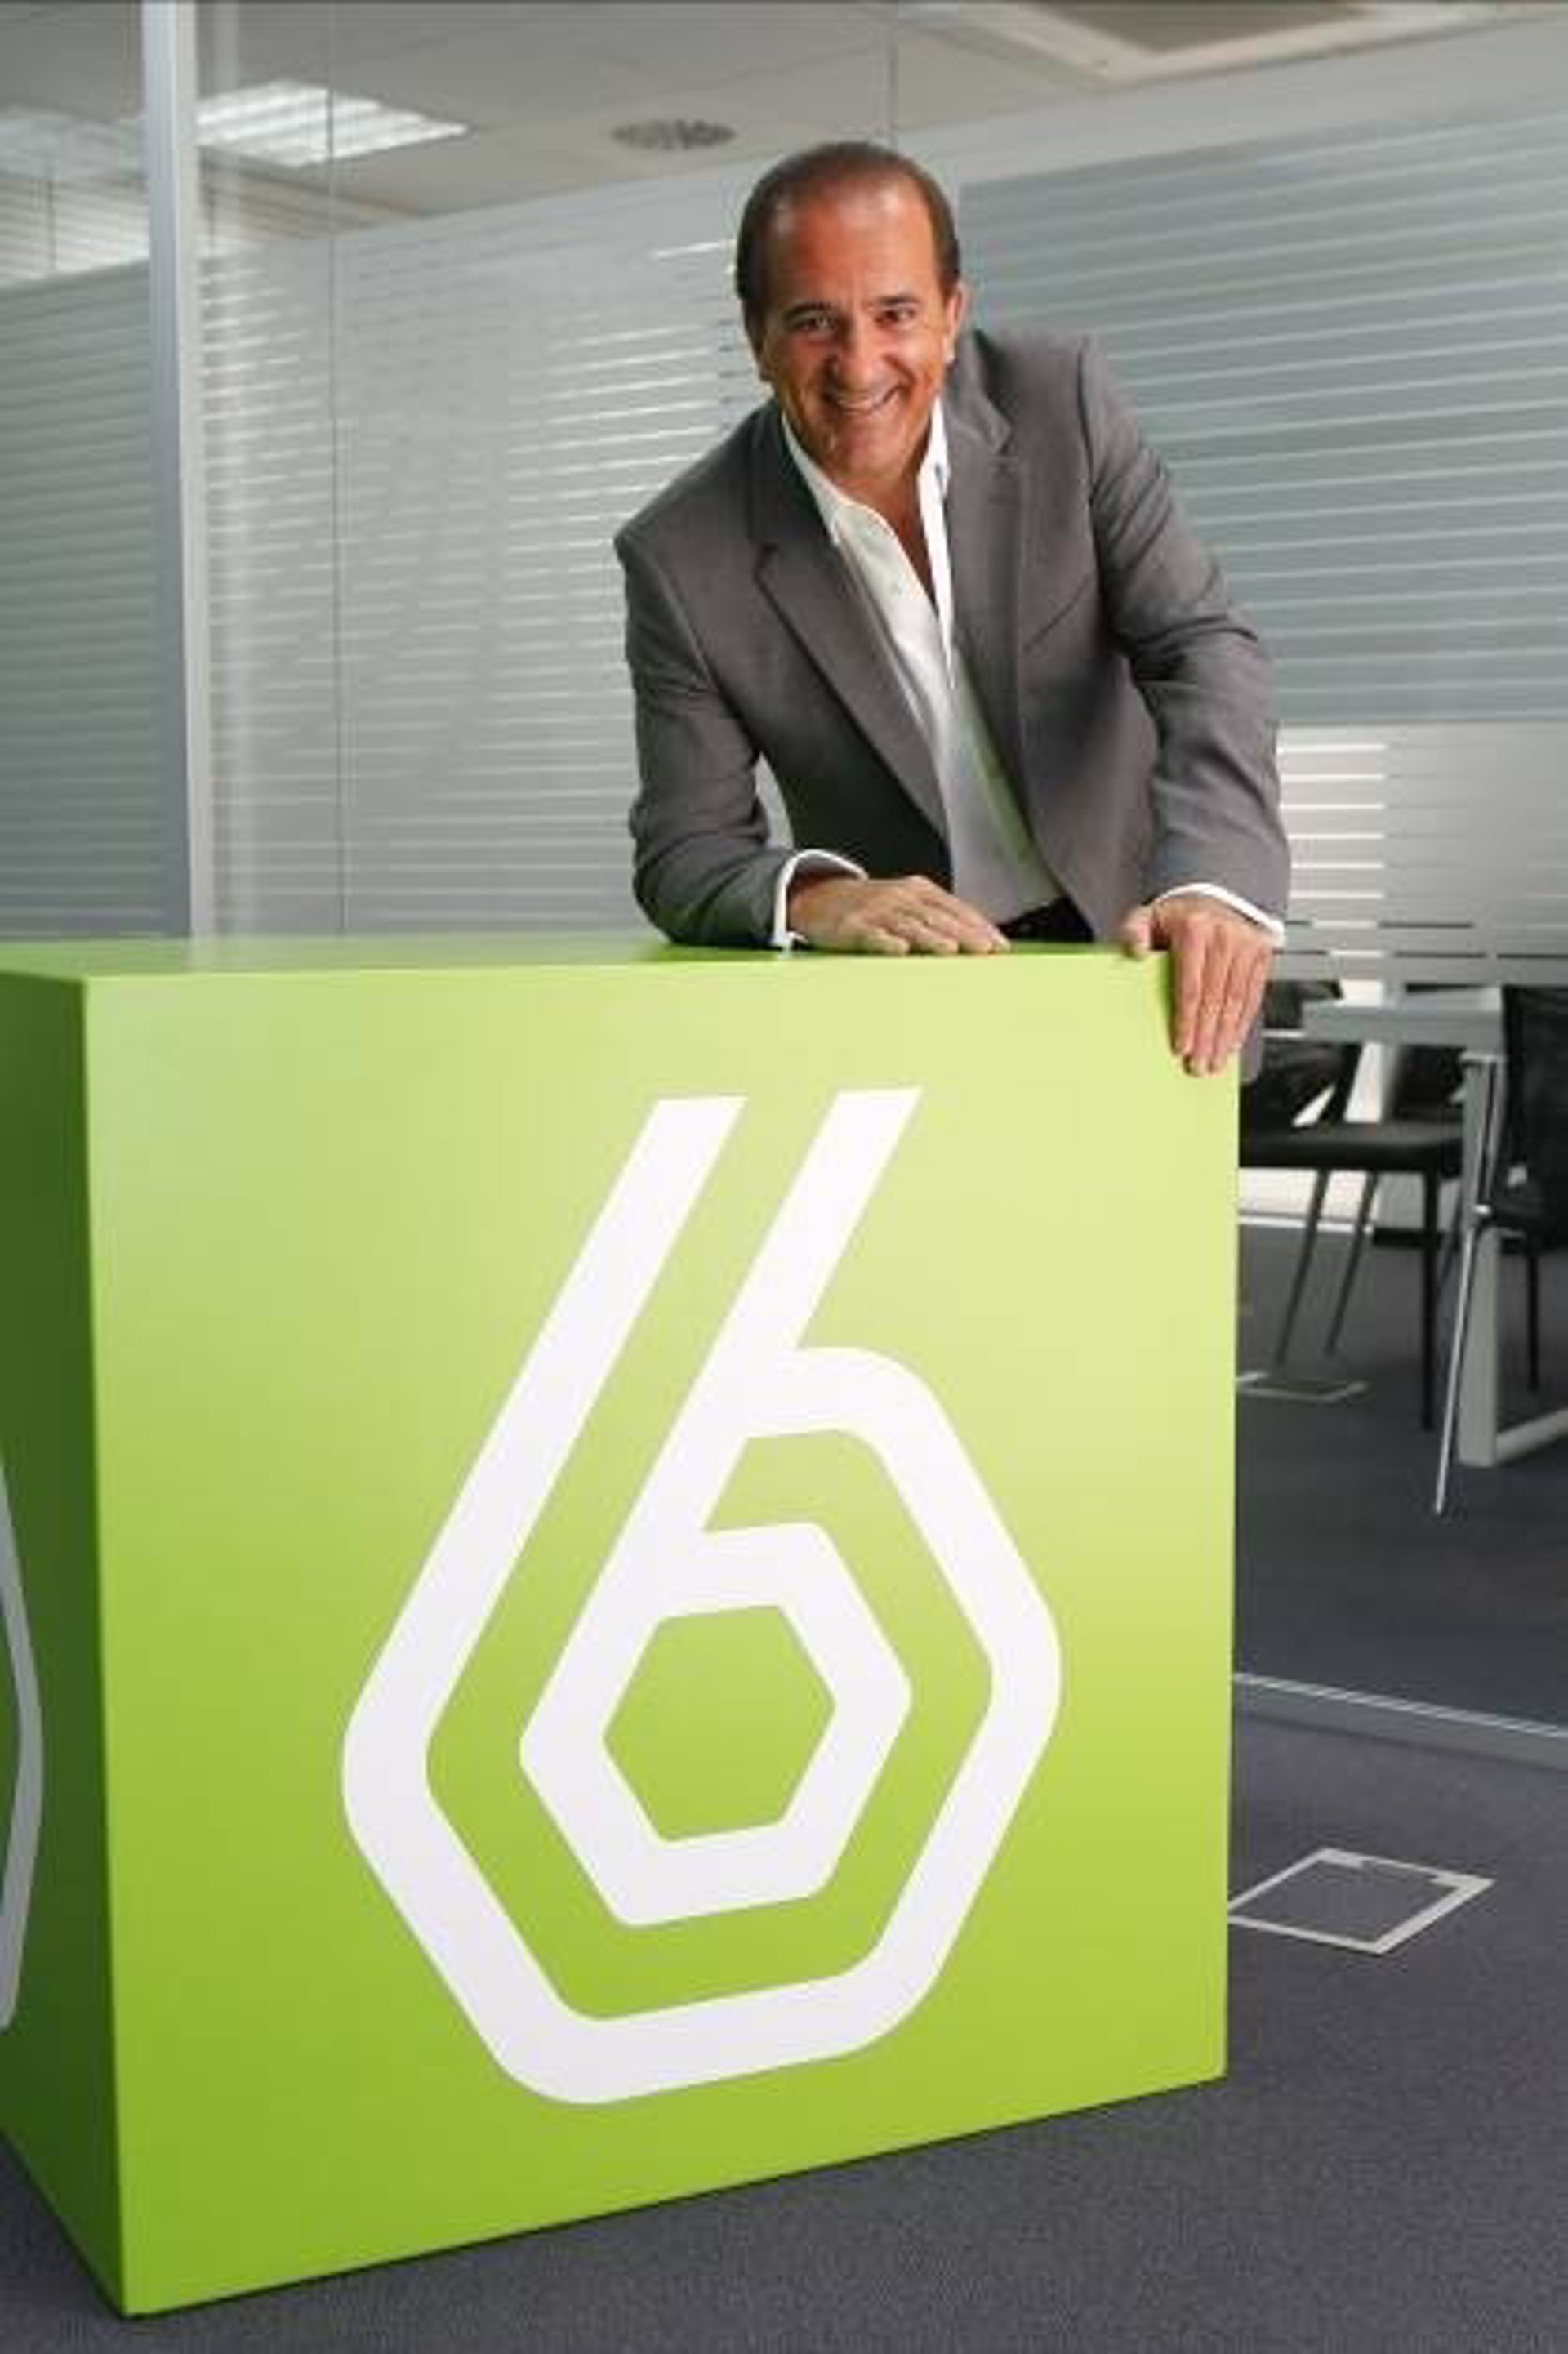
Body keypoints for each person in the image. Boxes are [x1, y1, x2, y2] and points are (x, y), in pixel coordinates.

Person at [615, 141, 1288, 1077]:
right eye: (813, 322)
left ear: (952, 316)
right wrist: (815, 898)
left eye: (895, 314)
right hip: (917, 1012)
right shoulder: (683, 556)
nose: (859, 366)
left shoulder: (1061, 405)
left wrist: (1213, 882)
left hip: (1152, 970)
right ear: (756, 336)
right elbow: (686, 849)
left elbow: (1201, 647)